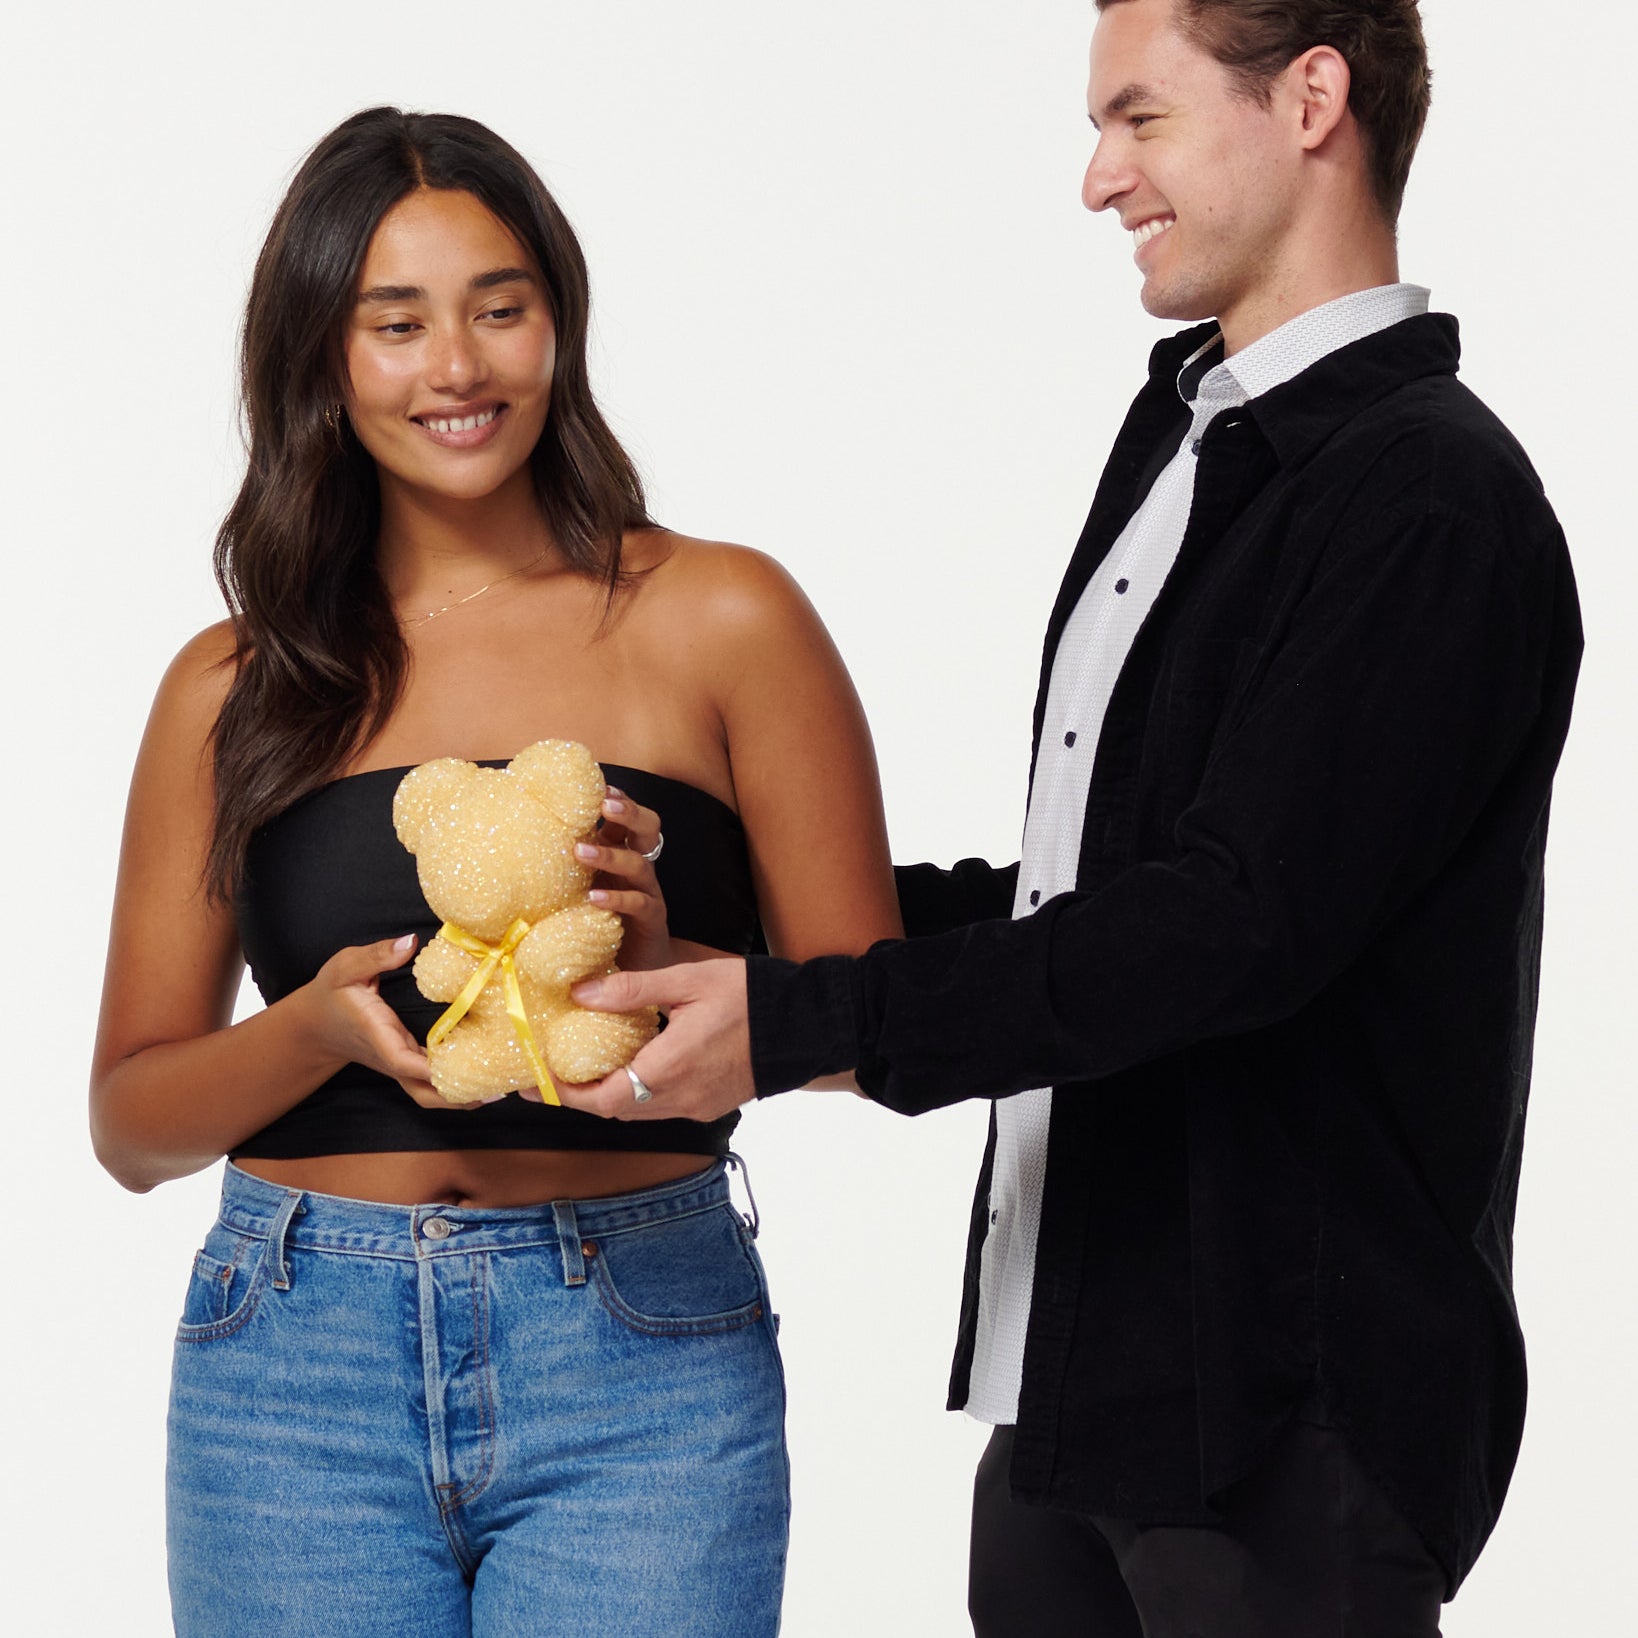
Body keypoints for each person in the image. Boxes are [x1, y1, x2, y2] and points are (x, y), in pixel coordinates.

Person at [561, 2, 1583, 1633]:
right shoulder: (1193, 437)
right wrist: (746, 926)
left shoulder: (1424, 498)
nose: (1097, 179)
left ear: (1311, 97)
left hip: (1278, 1420)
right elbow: (1085, 899)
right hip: (1073, 1396)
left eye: (1139, 119)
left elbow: (1221, 932)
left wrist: (799, 1019)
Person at [90, 107, 900, 1638]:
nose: (456, 367)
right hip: (291, 1367)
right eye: (395, 323)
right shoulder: (234, 682)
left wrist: (669, 975)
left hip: (640, 1354)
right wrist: (316, 1030)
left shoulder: (723, 617)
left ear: (559, 323)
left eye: (499, 308)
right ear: (321, 357)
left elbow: (867, 1023)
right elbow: (129, 1120)